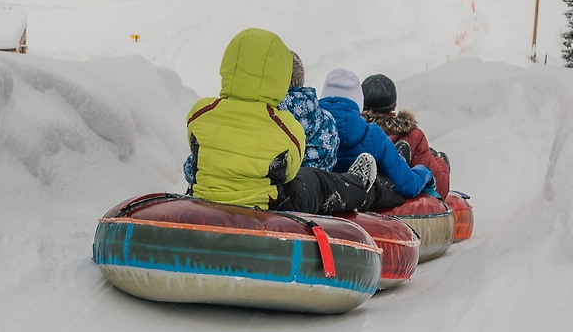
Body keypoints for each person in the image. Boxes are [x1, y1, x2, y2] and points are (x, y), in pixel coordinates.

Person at [185, 29, 377, 215]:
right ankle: (357, 185)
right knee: (314, 179)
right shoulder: (286, 126)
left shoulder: (200, 111)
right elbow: (290, 172)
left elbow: (194, 159)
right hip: (264, 208)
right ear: (280, 76)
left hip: (204, 199)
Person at [319, 68, 435, 210]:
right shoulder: (372, 134)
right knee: (386, 183)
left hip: (315, 200)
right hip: (365, 210)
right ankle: (359, 183)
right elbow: (408, 185)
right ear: (358, 101)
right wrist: (424, 171)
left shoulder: (310, 129)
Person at [361, 74, 451, 196]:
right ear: (393, 105)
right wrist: (440, 161)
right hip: (402, 209)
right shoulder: (412, 136)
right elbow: (439, 190)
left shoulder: (354, 132)